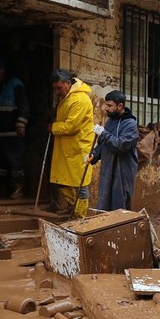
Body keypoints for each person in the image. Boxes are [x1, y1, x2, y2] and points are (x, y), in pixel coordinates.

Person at [49, 69, 95, 218]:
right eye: (54, 88)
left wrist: (53, 127)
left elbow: (71, 126)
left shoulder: (79, 100)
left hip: (79, 147)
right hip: (66, 146)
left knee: (80, 183)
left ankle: (80, 215)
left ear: (68, 83)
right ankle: (73, 207)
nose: (57, 92)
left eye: (59, 88)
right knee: (61, 179)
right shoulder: (67, 97)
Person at [0, 58, 29, 198]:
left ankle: (18, 189)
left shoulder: (15, 84)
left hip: (12, 132)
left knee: (15, 161)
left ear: (0, 72)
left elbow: (24, 105)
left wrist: (21, 124)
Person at [88, 90, 139, 211]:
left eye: (110, 105)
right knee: (105, 203)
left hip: (123, 171)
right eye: (106, 105)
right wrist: (93, 155)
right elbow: (102, 145)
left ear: (120, 106)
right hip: (108, 169)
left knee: (120, 205)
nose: (106, 108)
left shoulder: (130, 124)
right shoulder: (110, 121)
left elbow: (120, 145)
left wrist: (103, 134)